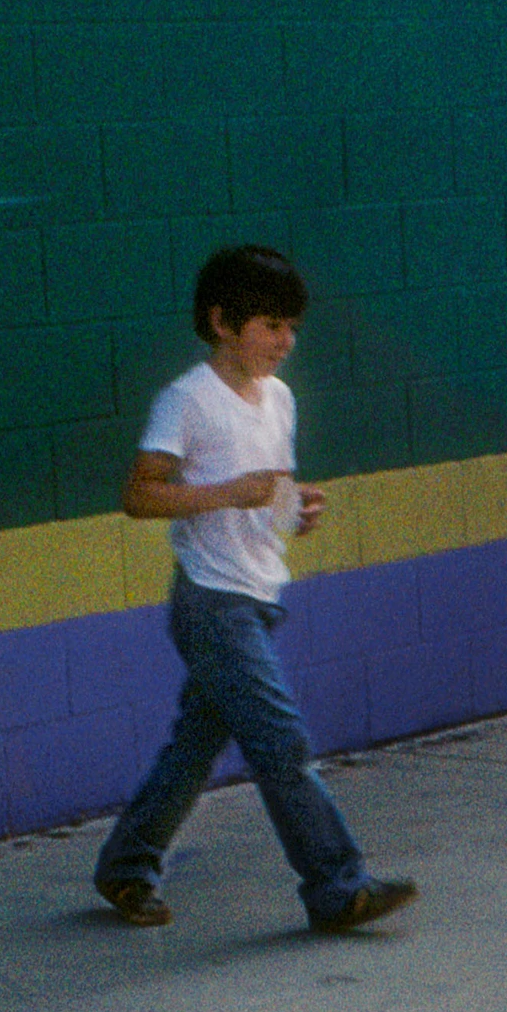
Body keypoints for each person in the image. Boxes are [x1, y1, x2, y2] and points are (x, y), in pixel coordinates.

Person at [93, 244, 417, 934]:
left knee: (193, 750)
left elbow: (268, 498)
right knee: (281, 741)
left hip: (260, 595)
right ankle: (337, 886)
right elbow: (139, 494)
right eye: (270, 325)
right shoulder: (187, 400)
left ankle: (126, 866)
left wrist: (296, 516)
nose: (285, 342)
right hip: (212, 604)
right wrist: (225, 495)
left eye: (292, 327)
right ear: (222, 323)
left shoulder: (280, 400)